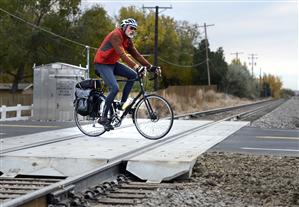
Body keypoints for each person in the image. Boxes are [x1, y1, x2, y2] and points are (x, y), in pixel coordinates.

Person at [94, 18, 159, 128]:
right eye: (131, 28)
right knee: (115, 88)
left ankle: (122, 104)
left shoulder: (128, 40)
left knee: (133, 75)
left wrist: (150, 67)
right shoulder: (116, 35)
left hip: (112, 64)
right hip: (101, 64)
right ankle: (103, 118)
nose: (133, 30)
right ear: (124, 27)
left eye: (134, 29)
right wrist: (136, 66)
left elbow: (137, 55)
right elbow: (122, 54)